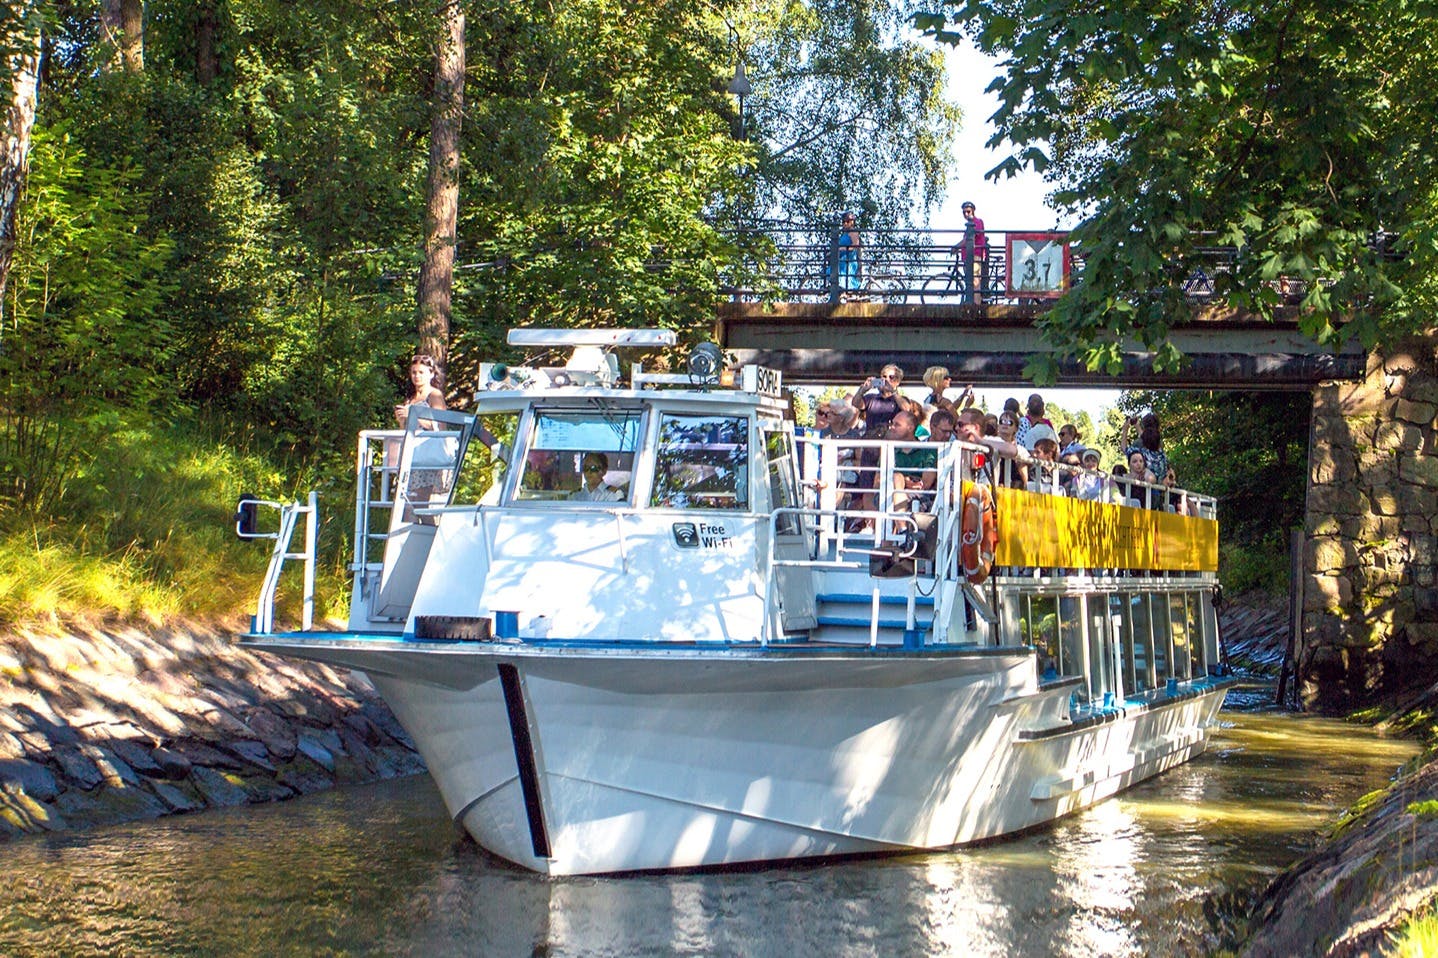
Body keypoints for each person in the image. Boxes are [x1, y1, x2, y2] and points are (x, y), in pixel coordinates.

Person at [954, 201, 988, 303]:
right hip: (968, 257)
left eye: (968, 211)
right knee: (970, 282)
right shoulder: (970, 224)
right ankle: (973, 302)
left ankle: (976, 305)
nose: (966, 214)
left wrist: (956, 246)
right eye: (964, 212)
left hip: (975, 256)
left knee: (975, 282)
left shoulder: (977, 222)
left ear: (973, 211)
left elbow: (970, 238)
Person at [1121, 412, 1170, 482]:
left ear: (1144, 426)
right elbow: (1148, 439)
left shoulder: (1140, 448)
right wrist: (1137, 427)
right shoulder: (1160, 448)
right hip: (1160, 485)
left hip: (1145, 487)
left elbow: (1124, 448)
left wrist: (1125, 429)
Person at [837, 211, 862, 299]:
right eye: (843, 222)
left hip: (850, 259)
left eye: (847, 221)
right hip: (843, 257)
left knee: (841, 268)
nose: (845, 224)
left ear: (852, 222)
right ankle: (840, 291)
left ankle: (845, 291)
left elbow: (854, 246)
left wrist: (842, 249)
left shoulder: (854, 232)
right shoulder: (844, 234)